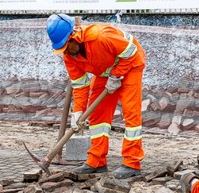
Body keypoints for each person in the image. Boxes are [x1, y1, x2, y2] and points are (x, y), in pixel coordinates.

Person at [46, 14, 146, 179]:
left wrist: (117, 75)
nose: (66, 52)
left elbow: (131, 52)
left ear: (74, 38)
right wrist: (77, 112)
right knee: (97, 114)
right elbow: (80, 85)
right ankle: (97, 160)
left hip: (130, 65)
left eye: (65, 47)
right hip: (105, 72)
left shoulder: (100, 37)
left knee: (131, 112)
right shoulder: (69, 57)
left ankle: (132, 162)